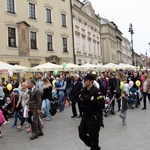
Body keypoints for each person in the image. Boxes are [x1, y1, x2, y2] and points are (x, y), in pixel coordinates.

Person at [78, 74, 105, 150]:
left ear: (91, 81)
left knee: (93, 137)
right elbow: (80, 100)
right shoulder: (83, 90)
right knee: (81, 134)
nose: (84, 81)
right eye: (84, 80)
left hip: (94, 117)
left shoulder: (96, 92)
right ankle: (95, 147)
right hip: (85, 115)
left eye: (86, 80)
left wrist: (94, 101)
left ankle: (94, 147)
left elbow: (102, 105)